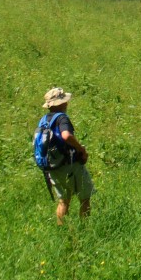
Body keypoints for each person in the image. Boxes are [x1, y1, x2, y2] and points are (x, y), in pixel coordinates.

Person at [39, 87, 94, 225]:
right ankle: (85, 228)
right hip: (70, 165)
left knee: (63, 201)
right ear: (61, 103)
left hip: (52, 165)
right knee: (85, 198)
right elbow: (66, 135)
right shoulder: (62, 118)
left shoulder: (44, 120)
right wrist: (80, 148)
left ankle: (62, 231)